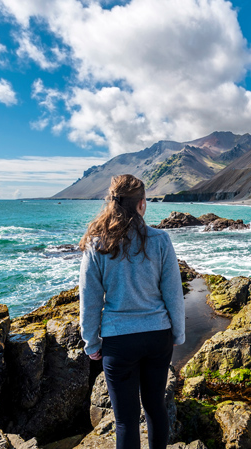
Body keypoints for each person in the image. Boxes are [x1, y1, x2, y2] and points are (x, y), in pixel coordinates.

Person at [79, 174, 185, 449]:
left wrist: (91, 342)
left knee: (125, 420)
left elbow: (90, 299)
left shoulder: (96, 244)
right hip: (158, 336)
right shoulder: (160, 239)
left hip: (119, 341)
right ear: (141, 204)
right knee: (155, 406)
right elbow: (173, 293)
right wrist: (178, 333)